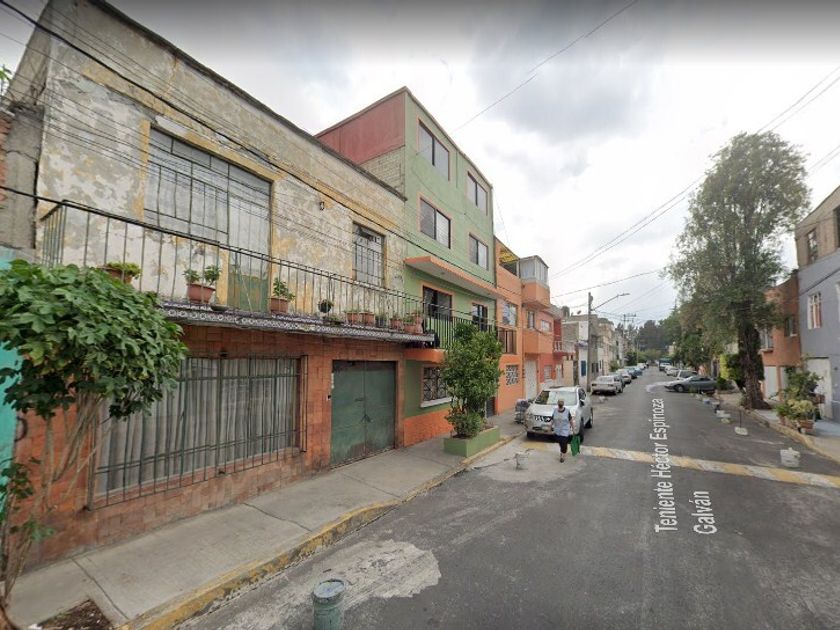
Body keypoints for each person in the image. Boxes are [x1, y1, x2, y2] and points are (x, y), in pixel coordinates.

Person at [552, 397, 576, 463]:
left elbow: (571, 421)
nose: (560, 403)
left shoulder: (567, 411)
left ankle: (563, 456)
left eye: (561, 402)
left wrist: (573, 429)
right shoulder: (555, 411)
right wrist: (549, 427)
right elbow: (552, 419)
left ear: (563, 404)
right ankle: (562, 451)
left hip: (565, 431)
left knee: (564, 443)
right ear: (557, 403)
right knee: (560, 443)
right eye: (559, 402)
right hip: (557, 431)